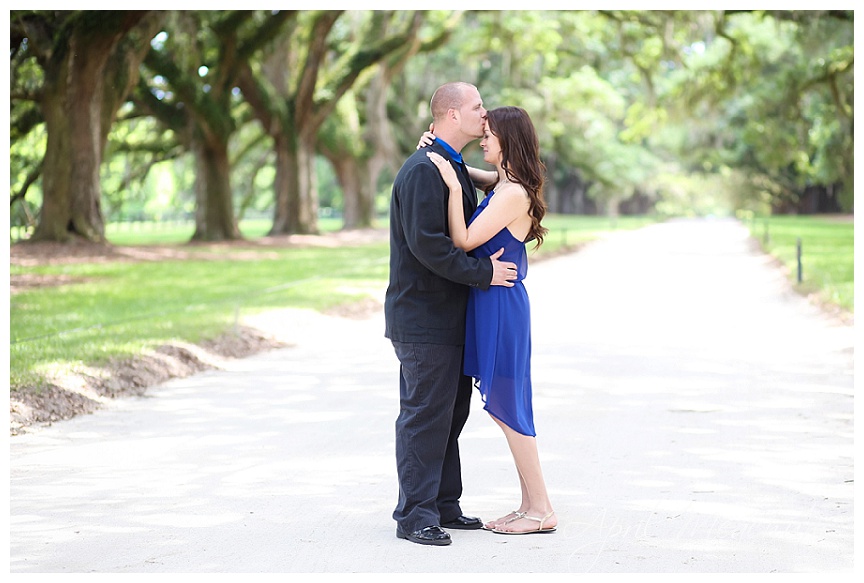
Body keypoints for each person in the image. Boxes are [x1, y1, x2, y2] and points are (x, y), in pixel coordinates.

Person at [384, 82, 519, 546]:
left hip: (450, 319)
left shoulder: (450, 164)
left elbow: (498, 186)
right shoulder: (424, 170)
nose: (485, 115)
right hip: (423, 320)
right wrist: (485, 274)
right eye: (478, 107)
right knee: (424, 416)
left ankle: (444, 504)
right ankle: (414, 515)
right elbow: (430, 248)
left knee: (450, 415)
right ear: (452, 114)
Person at [424, 105, 557, 535]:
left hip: (501, 307)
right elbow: (483, 180)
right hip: (492, 304)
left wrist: (448, 184)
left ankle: (541, 510)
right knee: (506, 408)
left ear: (507, 141)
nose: (483, 139)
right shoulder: (507, 184)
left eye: (489, 135)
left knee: (508, 408)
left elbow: (462, 240)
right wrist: (449, 159)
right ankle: (528, 505)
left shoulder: (513, 194)